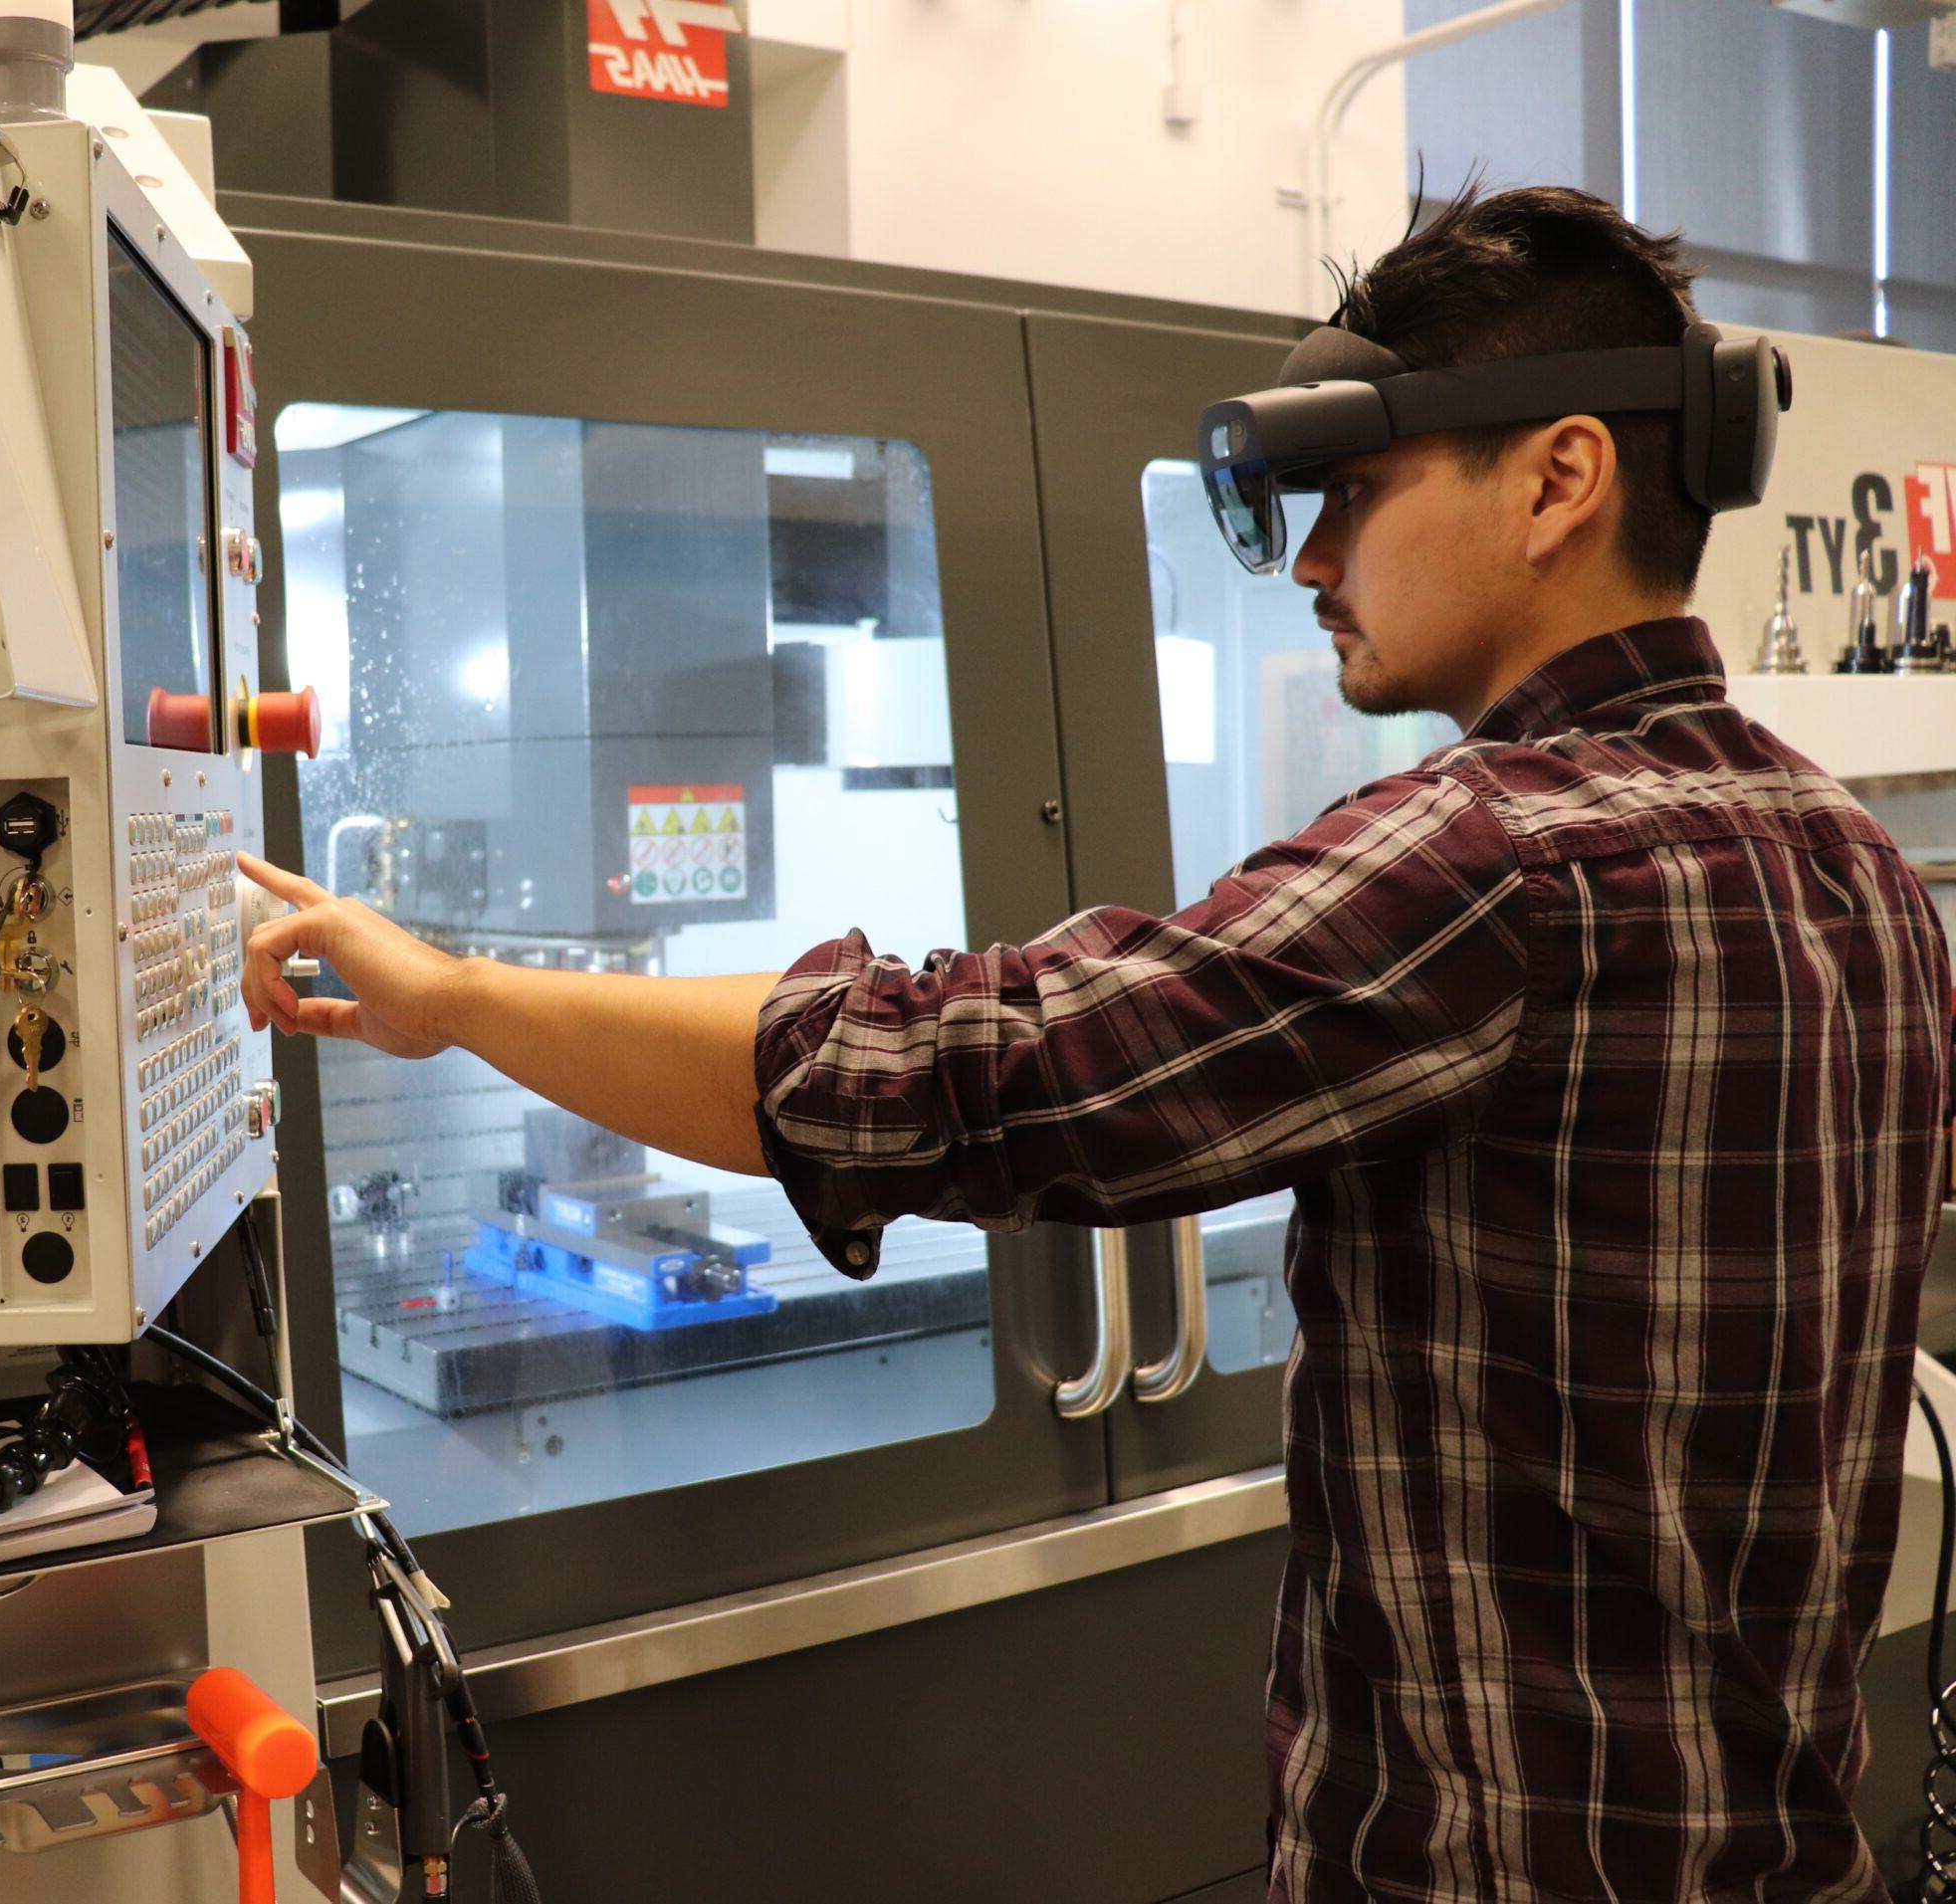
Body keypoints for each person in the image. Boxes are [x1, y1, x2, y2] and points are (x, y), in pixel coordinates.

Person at [238, 185, 1950, 1902]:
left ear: (1561, 478)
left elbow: (941, 1072)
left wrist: (444, 994)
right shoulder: (1861, 869)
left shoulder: (1495, 863)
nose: (1313, 563)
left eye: (1355, 491)